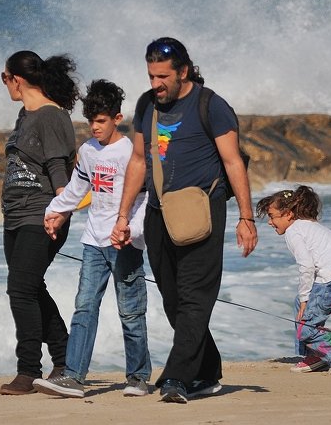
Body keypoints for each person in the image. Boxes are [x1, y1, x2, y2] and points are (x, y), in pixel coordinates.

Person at [111, 37, 258, 404]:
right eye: (150, 76)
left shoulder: (212, 106)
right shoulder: (147, 105)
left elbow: (233, 162)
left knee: (195, 297)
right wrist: (123, 215)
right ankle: (207, 372)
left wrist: (246, 218)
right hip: (160, 213)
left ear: (183, 72)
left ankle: (177, 376)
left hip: (202, 212)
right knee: (174, 300)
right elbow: (139, 163)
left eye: (163, 76)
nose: (155, 84)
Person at [34, 79, 153, 398]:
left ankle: (138, 376)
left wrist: (132, 230)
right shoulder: (88, 151)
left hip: (124, 242)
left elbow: (144, 198)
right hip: (93, 242)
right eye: (91, 122)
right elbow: (76, 190)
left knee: (130, 310)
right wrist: (55, 211)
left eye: (101, 121)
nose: (95, 128)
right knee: (84, 306)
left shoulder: (130, 152)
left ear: (117, 118)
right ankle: (73, 376)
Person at [0, 50, 80, 396]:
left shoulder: (51, 116)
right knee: (29, 288)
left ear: (16, 79)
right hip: (14, 216)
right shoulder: (24, 115)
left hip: (41, 215)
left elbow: (60, 170)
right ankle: (65, 358)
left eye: (4, 78)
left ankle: (29, 369)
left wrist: (61, 212)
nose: (5, 85)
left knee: (20, 288)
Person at [256, 185, 331, 375]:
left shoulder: (294, 231)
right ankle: (314, 356)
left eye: (272, 216)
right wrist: (302, 299)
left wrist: (305, 298)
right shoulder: (311, 226)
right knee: (299, 304)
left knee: (307, 327)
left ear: (287, 214)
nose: (270, 222)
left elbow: (306, 266)